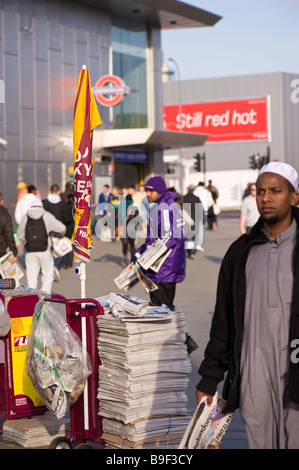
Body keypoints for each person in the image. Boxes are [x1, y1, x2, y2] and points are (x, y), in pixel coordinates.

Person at [195, 161, 299, 449]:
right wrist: (208, 379)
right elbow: (223, 321)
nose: (266, 198)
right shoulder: (240, 252)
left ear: (294, 197)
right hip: (254, 381)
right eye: (261, 191)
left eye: (276, 191)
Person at [132, 175, 185, 311]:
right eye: (146, 191)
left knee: (162, 309)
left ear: (159, 191)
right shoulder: (161, 206)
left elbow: (170, 237)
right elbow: (155, 238)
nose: (147, 194)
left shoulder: (165, 208)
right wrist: (141, 251)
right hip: (160, 268)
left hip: (165, 268)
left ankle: (175, 332)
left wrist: (148, 254)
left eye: (150, 191)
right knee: (159, 307)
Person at [17, 197, 66, 294]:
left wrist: (27, 240)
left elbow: (20, 235)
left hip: (30, 251)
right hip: (45, 249)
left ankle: (32, 297)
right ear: (41, 206)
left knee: (31, 277)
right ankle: (45, 297)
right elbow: (62, 228)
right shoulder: (46, 215)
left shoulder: (25, 217)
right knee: (47, 274)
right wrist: (55, 234)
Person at [42, 184, 68, 280]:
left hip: (47, 230)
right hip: (58, 230)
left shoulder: (45, 202)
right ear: (58, 192)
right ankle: (56, 266)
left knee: (48, 250)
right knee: (60, 250)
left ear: (50, 191)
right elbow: (66, 217)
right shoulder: (62, 204)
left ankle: (49, 266)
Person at [183, 185, 202, 259]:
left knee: (186, 236)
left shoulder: (184, 198)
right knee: (193, 236)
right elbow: (200, 209)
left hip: (185, 219)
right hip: (194, 220)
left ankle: (188, 250)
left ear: (188, 189)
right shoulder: (196, 198)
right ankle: (192, 252)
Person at [194, 182, 213, 251]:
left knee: (195, 228)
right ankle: (199, 244)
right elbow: (210, 202)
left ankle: (194, 243)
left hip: (195, 212)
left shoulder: (194, 192)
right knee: (202, 228)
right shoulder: (207, 192)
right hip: (204, 211)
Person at [0, 192, 18, 263]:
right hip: (1, 250)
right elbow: (9, 235)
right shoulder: (5, 215)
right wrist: (14, 251)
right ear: (1, 201)